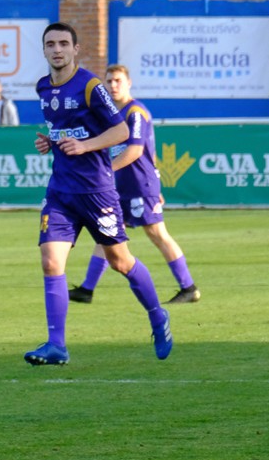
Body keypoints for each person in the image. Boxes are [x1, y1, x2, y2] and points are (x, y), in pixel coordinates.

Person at [26, 23, 172, 366]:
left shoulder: (91, 86)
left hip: (97, 192)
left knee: (120, 261)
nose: (57, 49)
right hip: (61, 191)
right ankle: (56, 345)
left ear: (76, 49)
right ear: (44, 50)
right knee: (50, 261)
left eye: (64, 43)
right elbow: (62, 129)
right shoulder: (43, 87)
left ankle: (157, 315)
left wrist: (85, 145)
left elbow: (120, 130)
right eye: (51, 44)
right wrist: (51, 142)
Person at [68, 64, 199, 304]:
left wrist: (106, 172)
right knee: (105, 235)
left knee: (157, 234)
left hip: (140, 186)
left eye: (118, 80)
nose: (113, 85)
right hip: (122, 188)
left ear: (129, 83)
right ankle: (87, 289)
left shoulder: (134, 111)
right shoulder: (114, 116)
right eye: (109, 81)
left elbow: (136, 150)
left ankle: (188, 287)